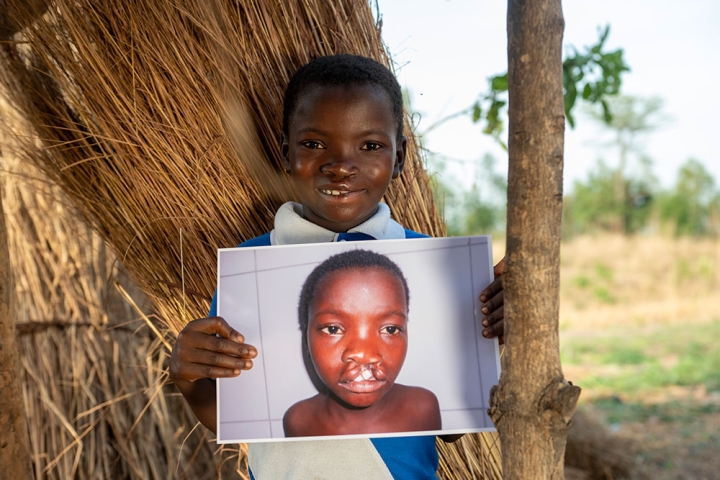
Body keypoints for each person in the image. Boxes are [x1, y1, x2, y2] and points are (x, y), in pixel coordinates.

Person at [169, 54, 505, 479]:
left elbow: (449, 426)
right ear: (286, 152)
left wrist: (492, 336)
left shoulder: (434, 266)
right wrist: (187, 376)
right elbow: (237, 416)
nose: (342, 165)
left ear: (400, 157)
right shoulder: (250, 271)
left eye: (369, 146)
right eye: (314, 144)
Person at [284, 249, 441, 437]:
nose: (364, 354)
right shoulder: (299, 421)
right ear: (306, 340)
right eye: (333, 329)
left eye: (390, 329)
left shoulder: (423, 408)